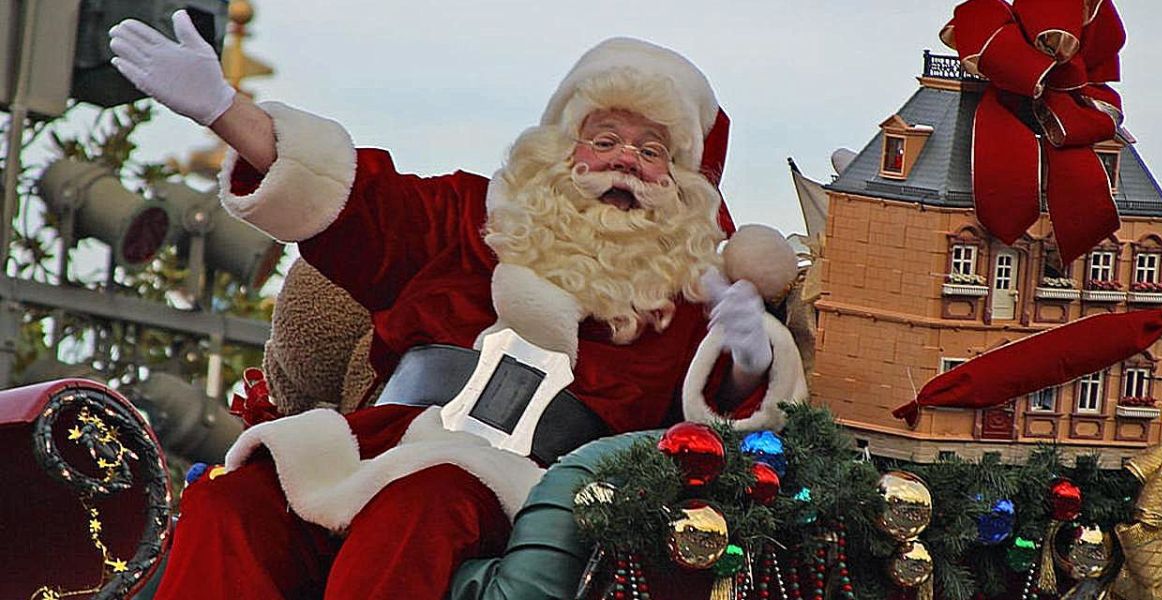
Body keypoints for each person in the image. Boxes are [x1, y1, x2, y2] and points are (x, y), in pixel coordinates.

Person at [109, 11, 803, 599]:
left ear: (679, 179)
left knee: (422, 504)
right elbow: (352, 203)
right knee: (232, 503)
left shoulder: (690, 287)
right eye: (605, 139)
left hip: (525, 485)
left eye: (651, 149)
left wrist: (745, 362)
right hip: (379, 441)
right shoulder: (471, 217)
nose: (625, 160)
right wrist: (227, 113)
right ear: (566, 151)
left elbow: (711, 424)